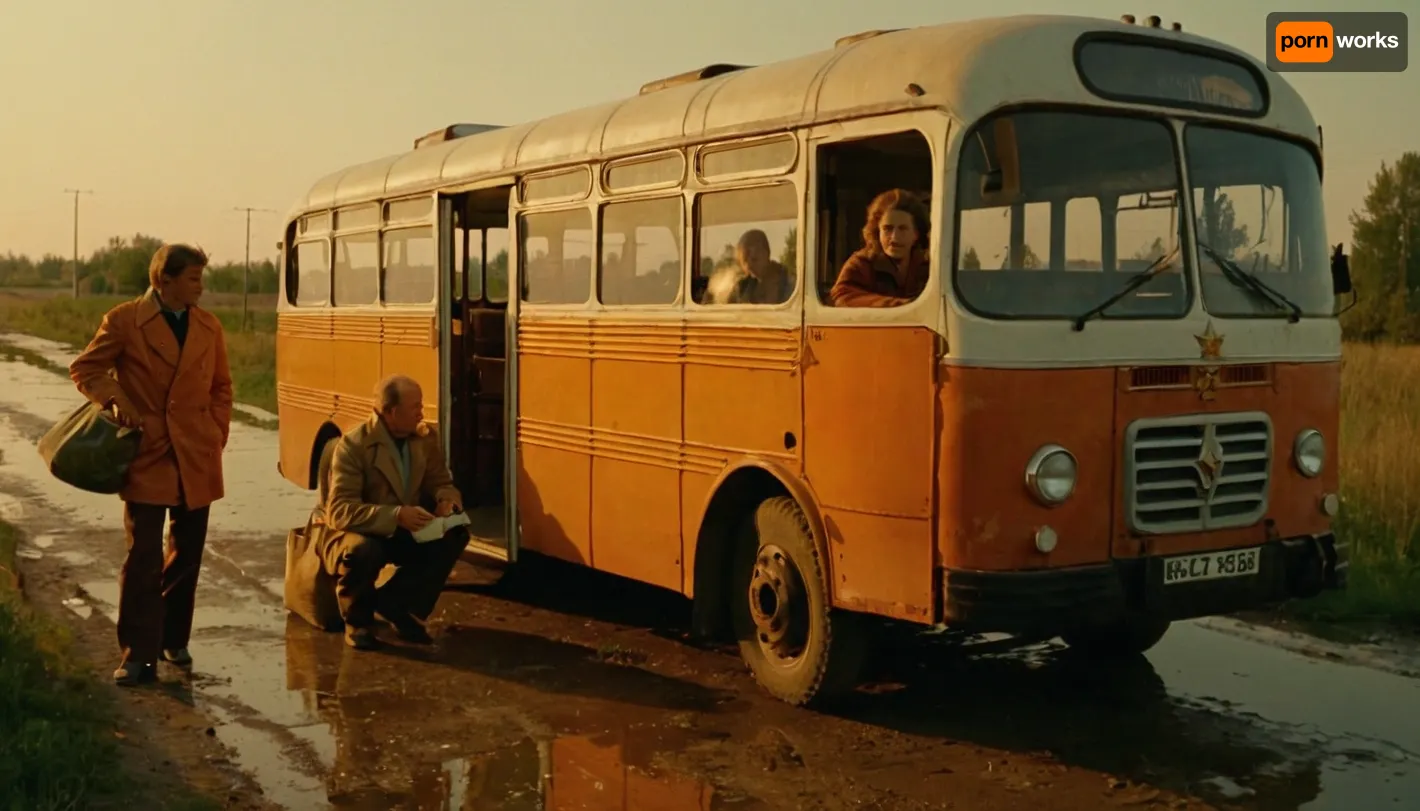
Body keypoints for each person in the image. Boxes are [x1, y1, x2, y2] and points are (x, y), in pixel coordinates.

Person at [68, 243, 233, 686]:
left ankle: (172, 640)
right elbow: (87, 368)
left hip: (197, 452)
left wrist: (216, 433)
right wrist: (118, 402)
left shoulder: (208, 325)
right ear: (165, 280)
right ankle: (137, 655)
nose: (201, 286)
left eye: (201, 277)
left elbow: (222, 387)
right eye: (193, 278)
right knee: (143, 557)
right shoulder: (125, 320)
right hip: (149, 450)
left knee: (187, 553)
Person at [319, 374, 469, 650]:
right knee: (364, 550)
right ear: (392, 412)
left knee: (455, 532)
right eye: (415, 407)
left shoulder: (424, 439)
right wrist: (396, 515)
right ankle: (358, 622)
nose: (421, 413)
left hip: (406, 529)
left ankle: (396, 605)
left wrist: (447, 502)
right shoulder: (353, 445)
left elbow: (441, 482)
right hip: (358, 532)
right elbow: (338, 511)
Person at [829, 189, 931, 307]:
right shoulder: (862, 263)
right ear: (878, 232)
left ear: (916, 234)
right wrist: (900, 306)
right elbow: (840, 297)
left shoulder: (927, 266)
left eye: (903, 229)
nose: (894, 238)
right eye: (888, 229)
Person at [704, 229, 794, 305]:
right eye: (743, 261)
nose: (746, 266)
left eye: (746, 258)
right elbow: (715, 303)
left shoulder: (790, 283)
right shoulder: (743, 285)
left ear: (766, 253)